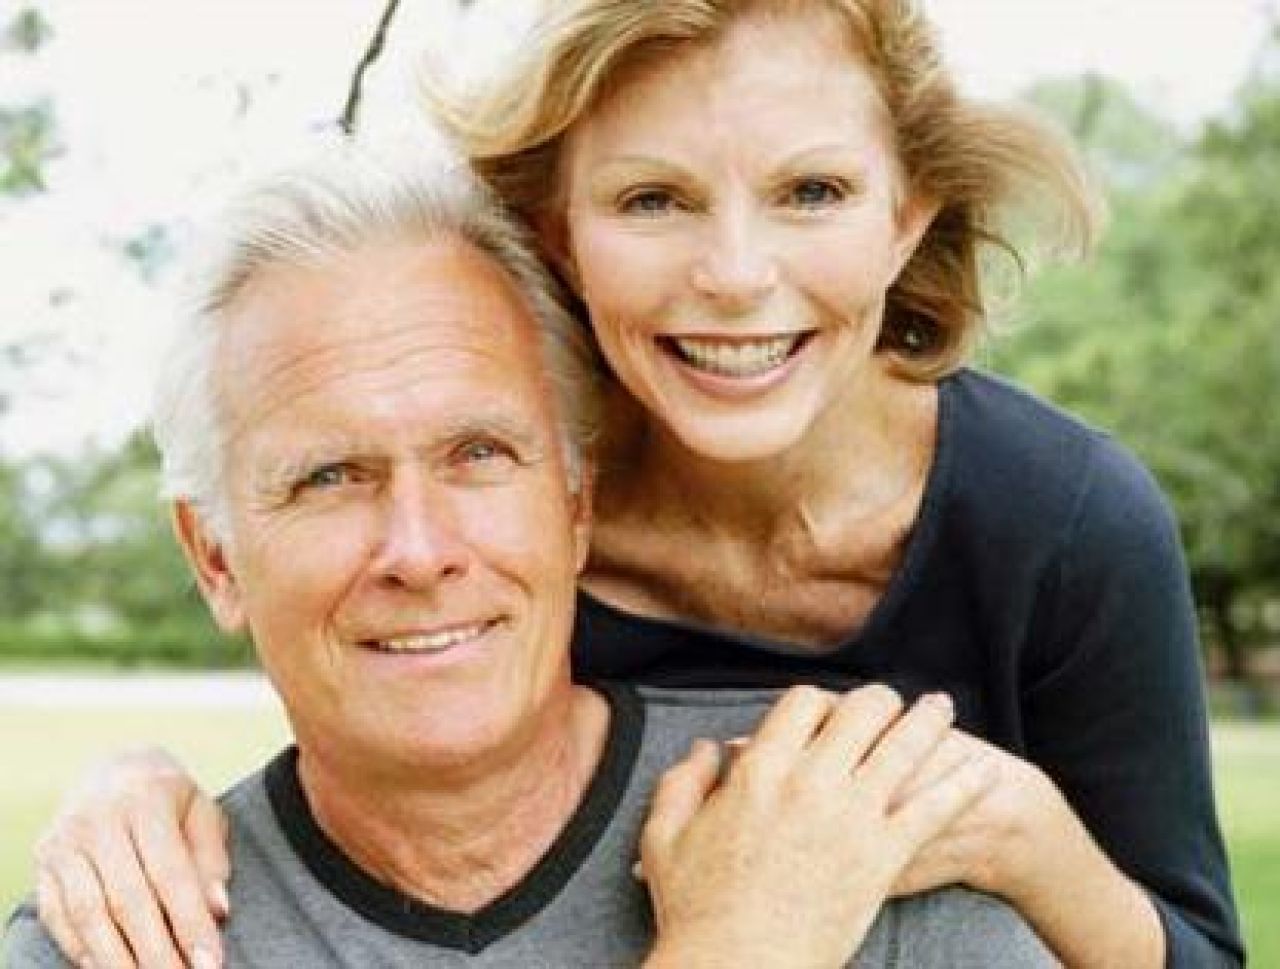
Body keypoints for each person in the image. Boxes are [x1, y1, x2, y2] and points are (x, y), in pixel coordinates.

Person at [31, 0, 1243, 966]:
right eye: (652, 199)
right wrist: (133, 792)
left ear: (904, 215)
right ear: (561, 233)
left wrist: (1029, 837)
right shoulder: (500, 504)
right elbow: (376, 717)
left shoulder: (1059, 520)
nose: (734, 275)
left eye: (811, 192)